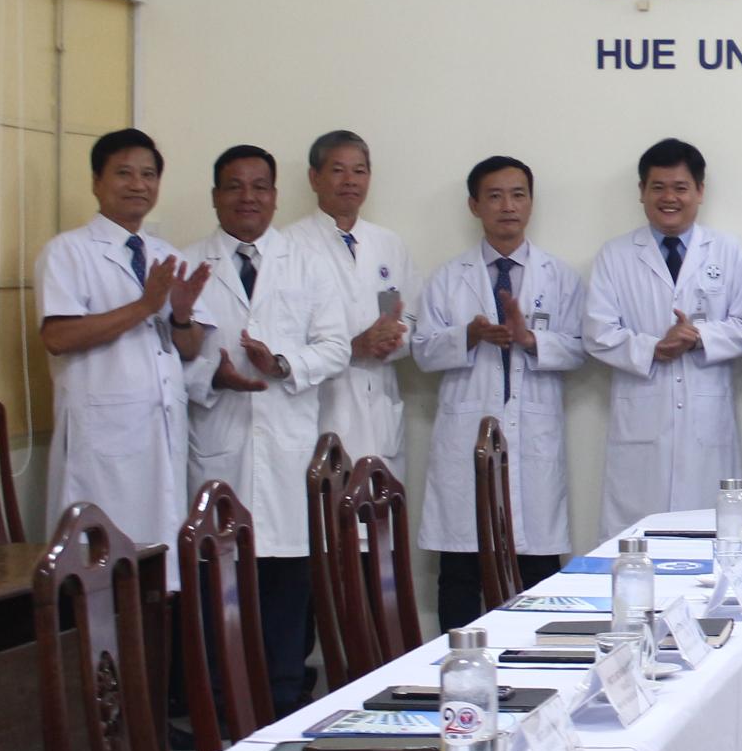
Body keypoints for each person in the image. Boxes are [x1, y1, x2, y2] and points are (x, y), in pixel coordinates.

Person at [181, 145, 352, 717]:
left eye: (259, 186)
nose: (248, 197)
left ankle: (282, 699)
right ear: (215, 196)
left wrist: (282, 364)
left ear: (276, 196)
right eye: (234, 186)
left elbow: (335, 347)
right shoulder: (188, 264)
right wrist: (214, 376)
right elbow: (169, 356)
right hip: (219, 442)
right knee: (218, 582)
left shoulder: (306, 263)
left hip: (286, 444)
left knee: (286, 578)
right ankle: (220, 705)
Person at [414, 156, 584, 630]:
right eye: (494, 196)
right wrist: (467, 336)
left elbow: (580, 349)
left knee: (536, 568)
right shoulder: (448, 278)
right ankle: (456, 665)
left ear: (530, 203)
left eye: (518, 195)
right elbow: (422, 351)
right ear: (474, 205)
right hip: (465, 436)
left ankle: (535, 661)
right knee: (461, 569)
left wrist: (531, 340)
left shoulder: (560, 277)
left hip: (533, 439)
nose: (508, 206)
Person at [37, 130, 210, 556]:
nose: (138, 184)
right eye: (124, 173)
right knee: (99, 559)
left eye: (148, 175)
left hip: (160, 434)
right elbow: (57, 336)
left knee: (159, 561)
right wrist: (145, 306)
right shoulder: (67, 252)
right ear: (97, 182)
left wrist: (181, 315)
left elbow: (189, 349)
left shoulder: (167, 255)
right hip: (101, 441)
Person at [584, 138, 742, 531]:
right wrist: (654, 348)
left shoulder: (727, 251)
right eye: (658, 187)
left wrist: (697, 337)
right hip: (641, 426)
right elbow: (597, 333)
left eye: (680, 187)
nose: (669, 198)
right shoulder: (615, 255)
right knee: (637, 544)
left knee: (710, 536)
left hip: (706, 425)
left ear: (699, 191)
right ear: (642, 192)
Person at [284, 130, 417, 473]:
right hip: (320, 407)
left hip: (379, 406)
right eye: (338, 170)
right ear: (314, 178)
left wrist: (393, 341)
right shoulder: (287, 246)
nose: (350, 181)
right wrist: (352, 347)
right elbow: (282, 339)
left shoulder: (389, 244)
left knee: (381, 503)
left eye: (359, 171)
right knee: (324, 501)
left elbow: (411, 319)